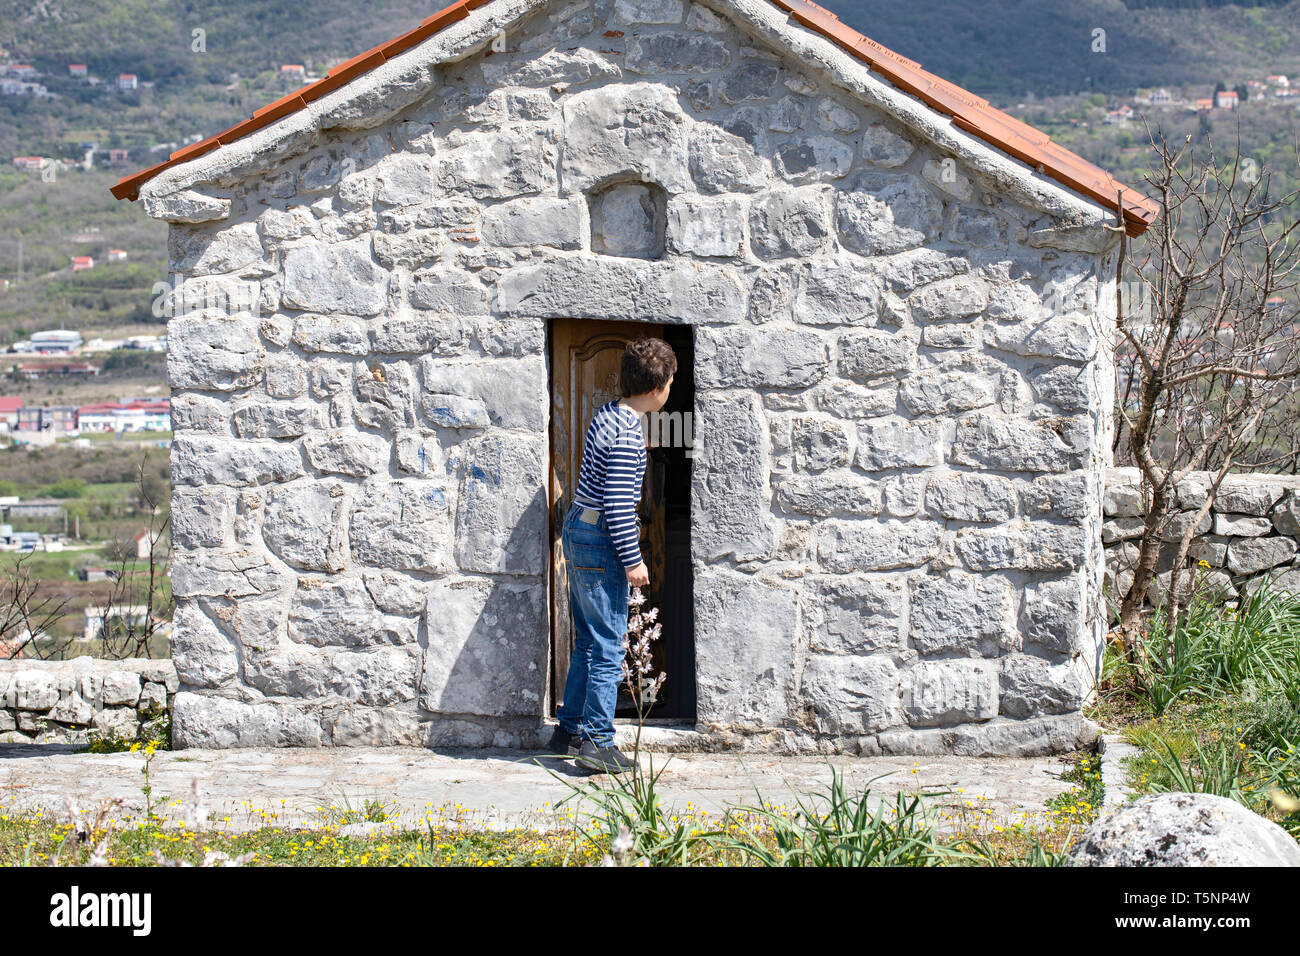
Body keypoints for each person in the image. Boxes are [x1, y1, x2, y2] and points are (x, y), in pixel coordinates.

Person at [547, 336, 677, 774]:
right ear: (659, 388)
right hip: (602, 537)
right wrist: (633, 559)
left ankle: (568, 732)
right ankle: (598, 744)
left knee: (589, 639)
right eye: (672, 381)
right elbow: (619, 505)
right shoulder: (627, 434)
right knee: (606, 645)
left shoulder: (608, 414)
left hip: (580, 528)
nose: (671, 389)